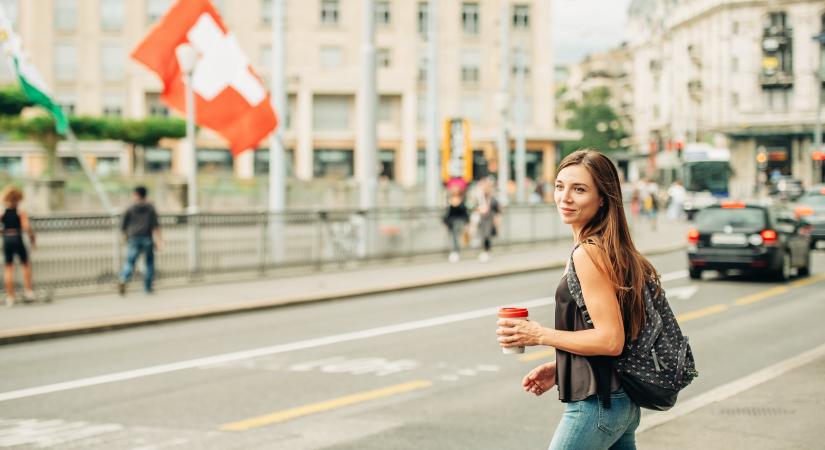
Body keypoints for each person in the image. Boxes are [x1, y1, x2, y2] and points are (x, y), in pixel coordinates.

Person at [497, 149, 659, 449]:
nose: (565, 197)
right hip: (619, 400)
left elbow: (611, 340)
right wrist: (562, 369)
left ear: (603, 199)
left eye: (579, 189)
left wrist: (538, 334)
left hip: (597, 405)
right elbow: (607, 333)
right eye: (560, 186)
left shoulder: (589, 253)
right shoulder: (610, 248)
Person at [118, 186, 163, 295]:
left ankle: (123, 278)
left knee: (130, 262)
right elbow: (155, 225)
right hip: (147, 238)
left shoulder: (130, 208)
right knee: (149, 263)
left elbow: (123, 226)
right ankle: (147, 288)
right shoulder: (150, 208)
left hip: (133, 238)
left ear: (136, 195)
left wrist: (124, 238)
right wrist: (159, 240)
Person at [1, 187, 36, 306]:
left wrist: (4, 233)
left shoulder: (2, 211)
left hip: (7, 238)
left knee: (8, 267)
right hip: (17, 237)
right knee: (25, 264)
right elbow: (26, 226)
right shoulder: (19, 210)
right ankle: (28, 291)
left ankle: (11, 297)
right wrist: (32, 238)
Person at [474, 178, 501, 263]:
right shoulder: (480, 199)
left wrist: (497, 222)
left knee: (487, 235)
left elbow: (498, 211)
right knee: (482, 235)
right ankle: (484, 251)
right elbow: (474, 207)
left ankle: (487, 251)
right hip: (482, 219)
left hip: (490, 220)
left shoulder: (493, 199)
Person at [443, 184, 469, 263]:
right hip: (451, 222)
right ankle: (454, 251)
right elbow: (448, 213)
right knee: (452, 236)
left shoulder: (462, 201)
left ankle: (456, 252)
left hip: (458, 222)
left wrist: (467, 222)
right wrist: (445, 221)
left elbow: (464, 213)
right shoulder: (449, 201)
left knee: (456, 236)